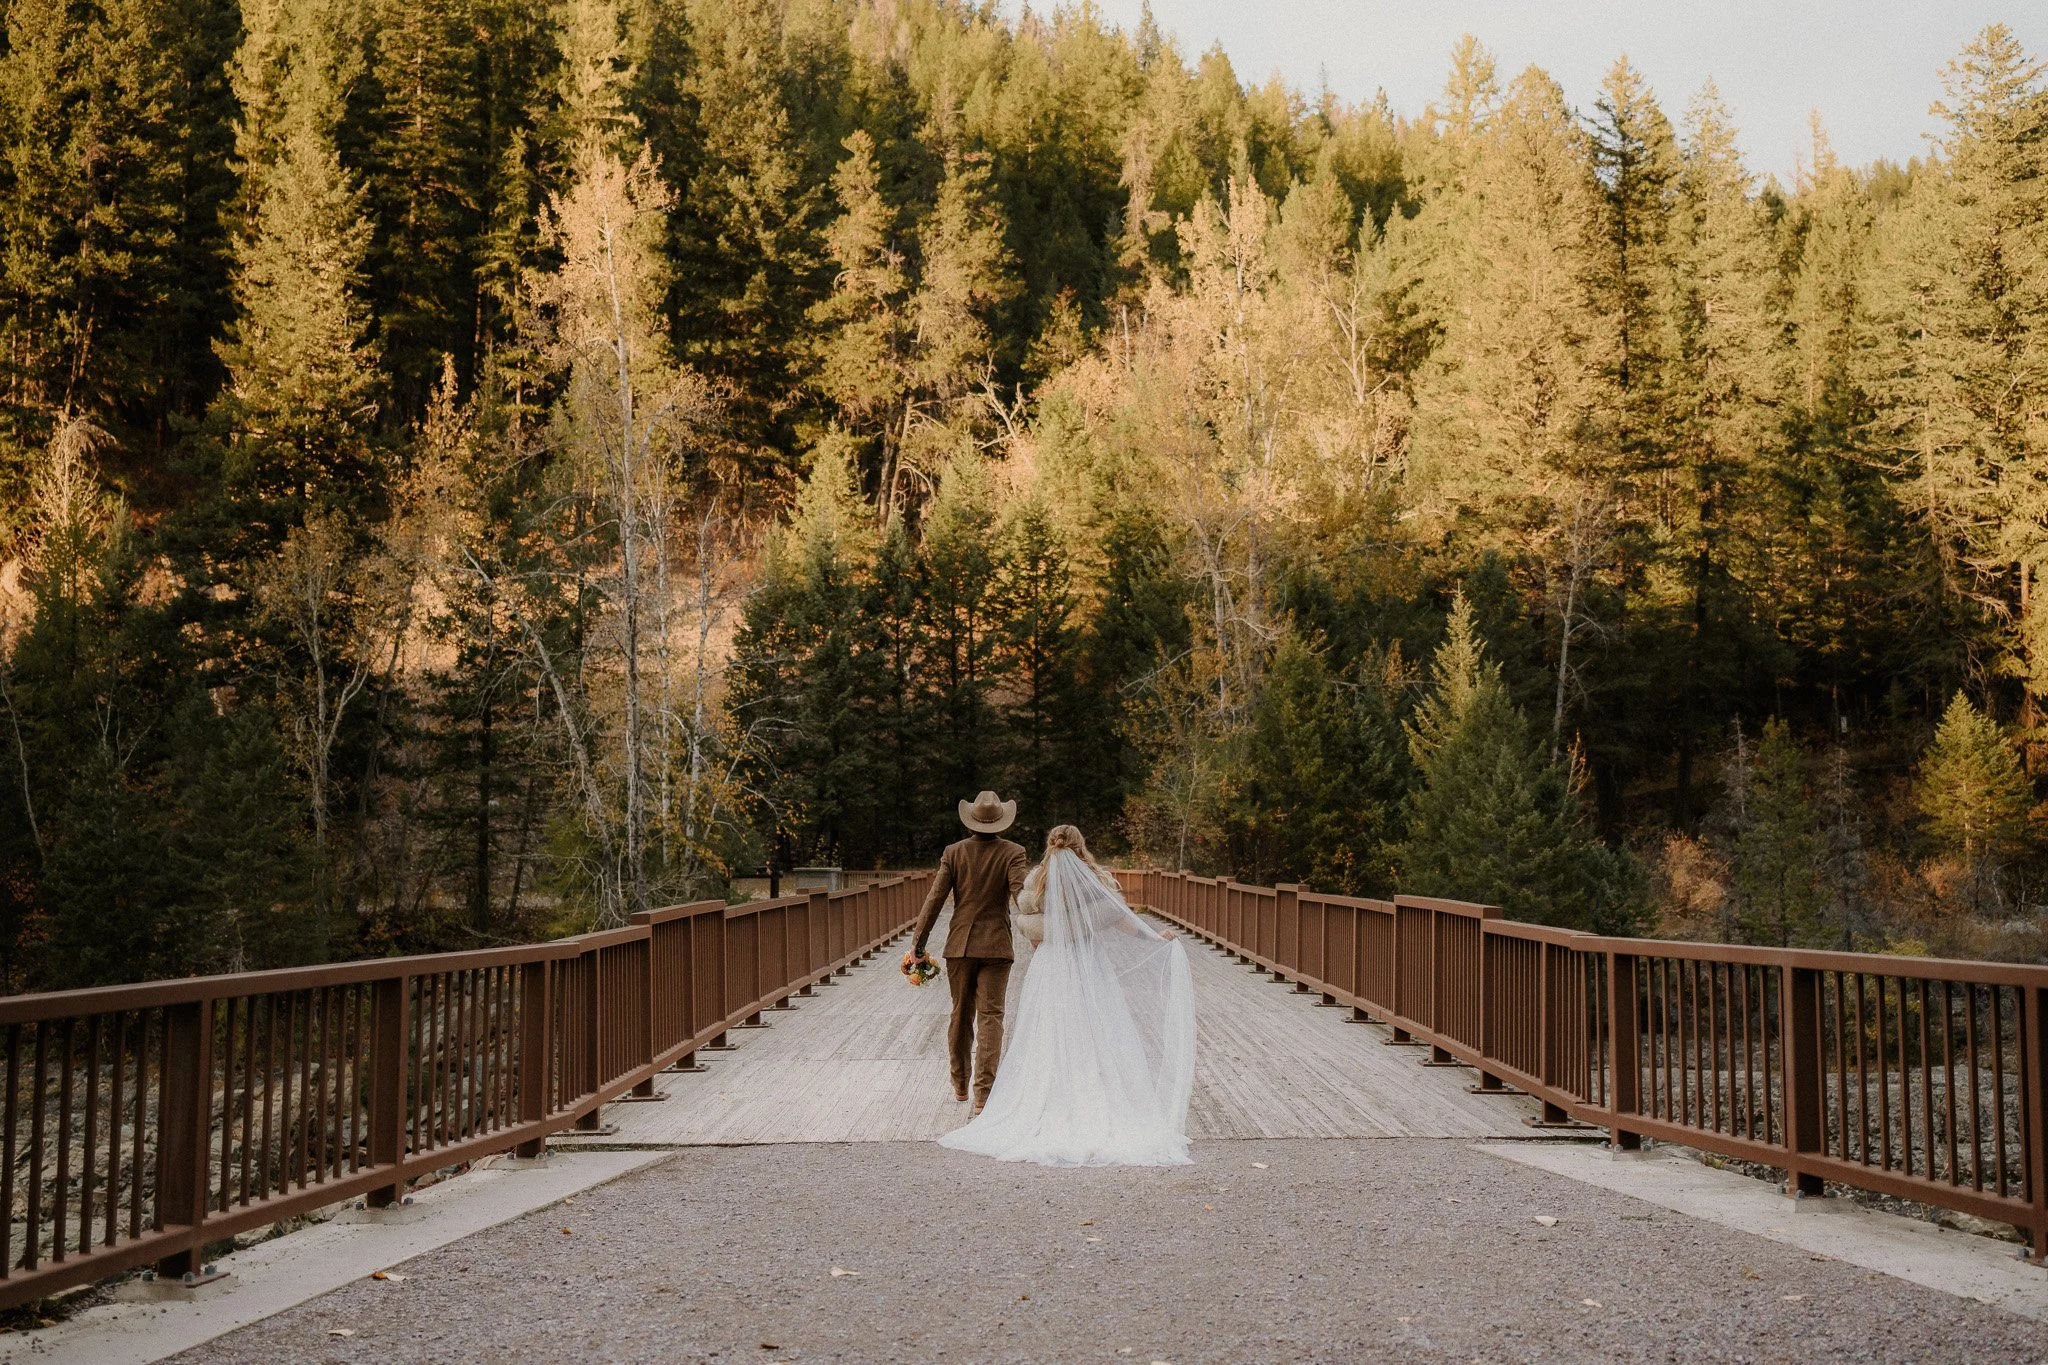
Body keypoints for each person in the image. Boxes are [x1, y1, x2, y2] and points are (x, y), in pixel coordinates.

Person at [940, 825, 1195, 1167]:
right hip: (1087, 962)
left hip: (1050, 963)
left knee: (1048, 1030)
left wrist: (1047, 941)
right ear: (1081, 846)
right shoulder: (1092, 880)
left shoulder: (1037, 882)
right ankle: (1096, 1102)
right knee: (1094, 1028)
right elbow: (1120, 918)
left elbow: (1031, 929)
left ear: (1050, 846)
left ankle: (1043, 1103)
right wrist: (1153, 937)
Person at [911, 791, 1029, 1114]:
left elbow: (935, 900)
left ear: (972, 820)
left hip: (960, 946)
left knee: (961, 1014)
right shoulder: (1013, 853)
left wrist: (918, 944)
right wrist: (1042, 928)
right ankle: (984, 1095)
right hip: (996, 947)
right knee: (992, 1017)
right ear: (1000, 821)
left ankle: (960, 1083)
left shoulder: (954, 853)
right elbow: (1022, 897)